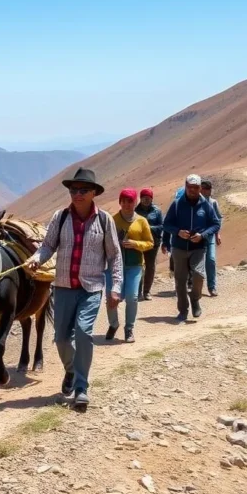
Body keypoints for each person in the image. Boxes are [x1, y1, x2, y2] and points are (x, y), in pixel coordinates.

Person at [27, 167, 122, 412]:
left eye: (83, 190)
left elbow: (114, 255)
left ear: (93, 193)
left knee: (83, 332)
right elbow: (48, 246)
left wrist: (116, 287)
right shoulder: (60, 217)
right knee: (60, 338)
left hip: (90, 288)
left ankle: (81, 388)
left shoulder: (104, 220)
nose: (77, 194)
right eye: (73, 190)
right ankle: (71, 369)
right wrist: (37, 258)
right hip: (63, 286)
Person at [162, 174, 221, 322]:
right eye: (190, 187)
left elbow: (215, 223)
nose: (192, 190)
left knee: (198, 275)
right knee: (180, 281)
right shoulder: (176, 204)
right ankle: (183, 310)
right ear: (185, 187)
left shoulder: (206, 205)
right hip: (179, 248)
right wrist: (178, 232)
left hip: (198, 247)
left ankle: (195, 299)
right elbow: (167, 224)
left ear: (200, 188)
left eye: (195, 188)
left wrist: (203, 235)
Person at [105, 188, 153, 343]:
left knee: (132, 297)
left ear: (134, 203)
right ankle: (113, 324)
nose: (126, 204)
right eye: (123, 201)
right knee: (111, 297)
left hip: (135, 265)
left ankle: (129, 329)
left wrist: (135, 244)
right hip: (114, 266)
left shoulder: (141, 221)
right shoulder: (112, 220)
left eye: (130, 201)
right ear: (120, 202)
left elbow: (150, 243)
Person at [135, 188, 163, 300]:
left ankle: (147, 291)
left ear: (152, 199)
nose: (146, 200)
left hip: (152, 243)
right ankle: (137, 291)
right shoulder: (135, 210)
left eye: (149, 198)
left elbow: (162, 226)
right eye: (144, 198)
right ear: (140, 198)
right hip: (139, 243)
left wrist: (148, 228)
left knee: (150, 267)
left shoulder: (157, 211)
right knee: (139, 266)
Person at [200, 179, 224, 297]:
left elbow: (218, 219)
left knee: (211, 260)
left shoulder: (213, 203)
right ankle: (194, 286)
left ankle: (212, 287)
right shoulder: (196, 203)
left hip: (209, 238)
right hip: (197, 238)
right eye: (205, 188)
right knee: (197, 263)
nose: (208, 191)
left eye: (209, 189)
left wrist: (217, 234)